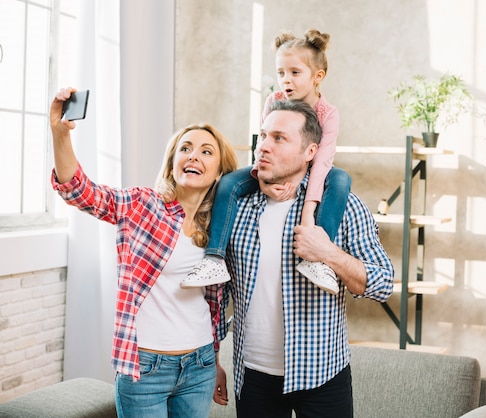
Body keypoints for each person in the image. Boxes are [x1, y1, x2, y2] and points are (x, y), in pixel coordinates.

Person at [49, 87, 238, 417]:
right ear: (172, 161)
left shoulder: (219, 229)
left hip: (200, 365)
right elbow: (80, 191)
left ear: (220, 171)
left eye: (207, 151)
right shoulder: (142, 205)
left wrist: (217, 360)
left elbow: (214, 304)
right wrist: (59, 133)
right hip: (145, 368)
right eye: (185, 148)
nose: (194, 155)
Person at [211, 99, 395, 417]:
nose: (263, 146)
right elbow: (216, 292)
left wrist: (327, 253)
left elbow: (383, 283)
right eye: (263, 135)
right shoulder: (236, 207)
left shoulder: (342, 206)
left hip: (323, 377)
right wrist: (212, 360)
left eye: (279, 138)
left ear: (311, 152)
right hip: (252, 379)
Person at [181, 28, 351, 295]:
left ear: (318, 76)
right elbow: (263, 146)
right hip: (274, 168)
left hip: (313, 169)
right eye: (281, 72)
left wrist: (308, 214)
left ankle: (317, 258)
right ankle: (214, 258)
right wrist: (262, 179)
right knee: (229, 183)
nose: (286, 80)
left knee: (341, 179)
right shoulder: (274, 101)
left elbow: (322, 163)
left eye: (295, 72)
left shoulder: (327, 113)